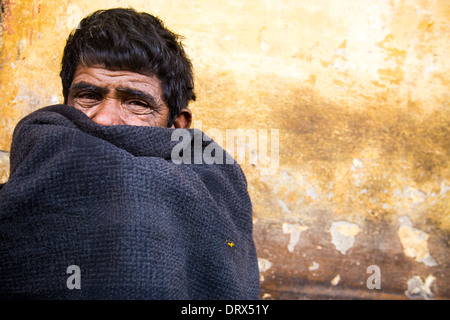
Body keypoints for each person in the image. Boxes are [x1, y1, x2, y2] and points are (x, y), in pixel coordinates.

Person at [0, 8, 259, 300]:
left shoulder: (212, 192)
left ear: (177, 126)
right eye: (88, 96)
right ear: (66, 104)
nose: (104, 119)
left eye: (136, 103)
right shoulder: (23, 194)